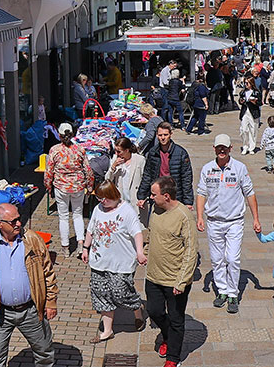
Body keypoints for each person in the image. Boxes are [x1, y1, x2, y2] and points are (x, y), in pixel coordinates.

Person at [0, 203, 58, 367]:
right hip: (2, 313)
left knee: (44, 352)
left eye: (19, 219)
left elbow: (48, 272)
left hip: (31, 310)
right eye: (13, 221)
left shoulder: (33, 240)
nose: (18, 224)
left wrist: (50, 302)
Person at [195, 134, 261, 314]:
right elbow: (201, 193)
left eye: (225, 147)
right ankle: (222, 291)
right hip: (214, 221)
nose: (222, 150)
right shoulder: (207, 169)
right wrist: (199, 216)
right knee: (217, 259)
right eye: (219, 147)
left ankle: (233, 293)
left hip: (234, 222)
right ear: (214, 149)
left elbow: (249, 193)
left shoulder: (239, 168)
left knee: (232, 258)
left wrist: (256, 218)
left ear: (231, 148)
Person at [81, 181, 146, 344]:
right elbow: (91, 230)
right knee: (101, 294)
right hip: (99, 261)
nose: (102, 201)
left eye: (105, 198)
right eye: (99, 198)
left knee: (121, 292)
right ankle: (107, 331)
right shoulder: (98, 209)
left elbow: (137, 233)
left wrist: (140, 252)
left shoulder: (127, 211)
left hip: (121, 262)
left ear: (114, 195)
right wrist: (85, 248)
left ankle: (137, 308)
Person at [145, 177, 198, 367]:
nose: (151, 197)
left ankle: (173, 358)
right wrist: (145, 253)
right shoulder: (155, 210)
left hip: (175, 280)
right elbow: (152, 235)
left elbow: (191, 251)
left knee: (176, 319)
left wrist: (181, 281)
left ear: (166, 196)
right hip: (153, 276)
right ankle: (167, 335)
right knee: (154, 311)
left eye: (154, 194)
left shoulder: (184, 216)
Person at [44, 123, 94, 258]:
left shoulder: (54, 150)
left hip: (61, 187)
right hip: (78, 186)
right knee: (78, 215)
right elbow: (88, 170)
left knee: (63, 217)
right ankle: (80, 243)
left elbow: (48, 172)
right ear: (72, 134)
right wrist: (90, 186)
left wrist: (48, 187)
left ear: (59, 135)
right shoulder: (80, 149)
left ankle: (65, 247)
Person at [137, 122, 194, 210]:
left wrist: (188, 201)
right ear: (157, 135)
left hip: (175, 196)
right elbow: (147, 175)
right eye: (160, 135)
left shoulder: (181, 153)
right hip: (158, 196)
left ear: (170, 134)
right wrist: (142, 196)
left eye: (165, 135)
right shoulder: (153, 152)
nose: (163, 138)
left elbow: (186, 178)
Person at [105, 138, 147, 222]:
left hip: (135, 197)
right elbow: (107, 179)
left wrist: (143, 196)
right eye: (115, 151)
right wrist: (113, 167)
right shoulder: (115, 159)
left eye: (119, 151)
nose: (116, 153)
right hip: (121, 198)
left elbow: (145, 179)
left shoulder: (139, 159)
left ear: (127, 150)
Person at [238, 77, 261, 155]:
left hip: (253, 112)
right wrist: (241, 101)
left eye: (247, 83)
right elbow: (240, 100)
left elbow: (260, 103)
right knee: (243, 130)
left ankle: (252, 147)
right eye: (245, 83)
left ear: (251, 83)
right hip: (245, 111)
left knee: (253, 130)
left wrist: (254, 101)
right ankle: (245, 146)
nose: (246, 85)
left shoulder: (256, 92)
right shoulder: (243, 92)